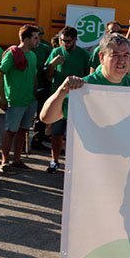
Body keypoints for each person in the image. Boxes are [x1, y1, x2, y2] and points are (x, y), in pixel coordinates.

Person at [40, 33, 130, 126]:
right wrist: (63, 90)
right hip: (92, 157)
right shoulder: (83, 87)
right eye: (115, 55)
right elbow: (47, 118)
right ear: (101, 57)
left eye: (126, 55)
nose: (122, 61)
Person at [43, 26, 90, 173]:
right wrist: (52, 65)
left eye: (68, 41)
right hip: (58, 98)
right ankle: (54, 160)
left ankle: (74, 164)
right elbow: (48, 76)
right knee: (56, 132)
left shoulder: (84, 55)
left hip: (77, 100)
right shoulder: (56, 52)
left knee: (76, 135)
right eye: (62, 41)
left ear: (76, 40)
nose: (65, 44)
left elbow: (88, 77)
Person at [0, 24, 40, 173]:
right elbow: (0, 74)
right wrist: (2, 98)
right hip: (15, 100)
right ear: (26, 39)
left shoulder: (33, 55)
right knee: (10, 131)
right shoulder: (12, 54)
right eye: (35, 37)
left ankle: (17, 160)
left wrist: (34, 94)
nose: (38, 40)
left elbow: (33, 75)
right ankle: (4, 162)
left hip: (29, 100)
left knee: (23, 130)